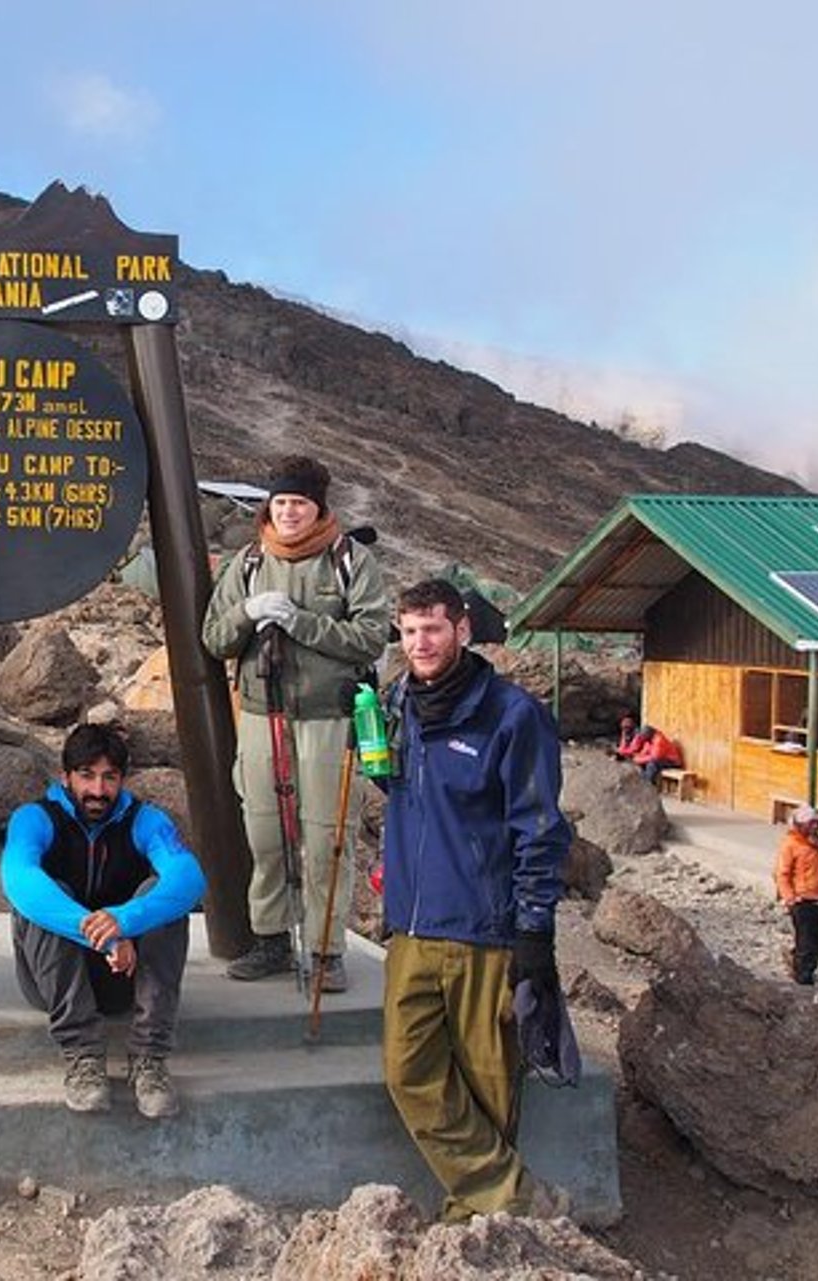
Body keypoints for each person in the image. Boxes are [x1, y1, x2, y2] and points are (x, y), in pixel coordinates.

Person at [378, 578, 573, 1221]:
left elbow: (540, 831)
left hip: (485, 930)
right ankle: (512, 1197)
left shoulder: (513, 716)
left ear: (462, 630)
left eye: (433, 629)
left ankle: (479, 1220)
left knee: (490, 1083)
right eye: (409, 631)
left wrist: (534, 932)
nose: (420, 644)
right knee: (408, 1070)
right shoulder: (396, 705)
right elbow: (408, 797)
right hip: (412, 927)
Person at [200, 455, 389, 991]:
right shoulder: (248, 563)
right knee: (264, 833)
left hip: (328, 719)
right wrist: (246, 613)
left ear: (318, 508)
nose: (288, 512)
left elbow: (372, 637)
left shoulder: (350, 560)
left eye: (299, 503)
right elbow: (214, 638)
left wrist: (299, 623)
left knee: (328, 838)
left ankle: (327, 951)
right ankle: (271, 940)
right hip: (262, 716)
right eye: (280, 502)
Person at [0, 723, 206, 1118]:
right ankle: (83, 1056)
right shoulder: (34, 818)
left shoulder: (145, 820)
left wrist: (125, 919)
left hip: (123, 977)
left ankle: (149, 1059)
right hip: (51, 979)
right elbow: (19, 880)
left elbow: (189, 878)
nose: (98, 790)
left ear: (122, 779)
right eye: (86, 775)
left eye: (109, 777)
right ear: (65, 777)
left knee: (163, 898)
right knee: (44, 895)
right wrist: (106, 935)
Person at [775, 805, 818, 985]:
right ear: (799, 825)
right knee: (807, 946)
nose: (814, 827)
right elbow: (782, 874)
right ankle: (803, 980)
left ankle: (797, 959)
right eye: (810, 823)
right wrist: (790, 898)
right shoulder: (790, 845)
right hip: (801, 902)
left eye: (816, 823)